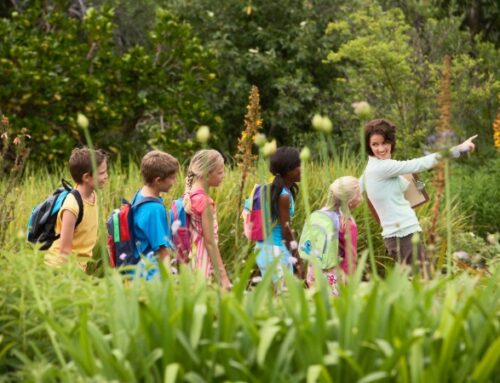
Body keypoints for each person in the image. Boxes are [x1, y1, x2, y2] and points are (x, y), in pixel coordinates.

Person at [362, 118, 477, 270]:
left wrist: (420, 186)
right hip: (402, 235)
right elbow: (420, 163)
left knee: (419, 284)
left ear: (391, 142)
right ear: (369, 146)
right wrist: (459, 149)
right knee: (425, 282)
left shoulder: (375, 167)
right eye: (375, 144)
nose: (381, 148)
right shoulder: (381, 167)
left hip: (404, 233)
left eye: (384, 143)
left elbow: (411, 183)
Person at [45, 147, 108, 271]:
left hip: (78, 267)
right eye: (101, 173)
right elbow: (64, 251)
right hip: (61, 268)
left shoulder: (92, 195)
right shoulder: (71, 206)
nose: (106, 176)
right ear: (86, 177)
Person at [305, 176, 362, 294]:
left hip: (314, 273)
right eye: (359, 195)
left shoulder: (317, 217)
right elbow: (350, 260)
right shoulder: (347, 225)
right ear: (350, 200)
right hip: (335, 279)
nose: (361, 198)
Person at [256, 147, 305, 283]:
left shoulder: (273, 190)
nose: (303, 168)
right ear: (288, 170)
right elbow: (286, 232)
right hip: (275, 251)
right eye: (299, 165)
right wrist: (298, 261)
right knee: (284, 298)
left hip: (263, 249)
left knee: (275, 299)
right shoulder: (283, 195)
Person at [184, 149, 231, 289]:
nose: (223, 176)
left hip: (189, 259)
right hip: (201, 262)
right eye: (220, 172)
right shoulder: (205, 203)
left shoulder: (189, 196)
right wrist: (223, 277)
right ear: (207, 173)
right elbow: (210, 243)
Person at [132, 150, 179, 280]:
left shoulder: (140, 195)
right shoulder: (154, 209)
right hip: (151, 275)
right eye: (172, 178)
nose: (174, 182)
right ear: (158, 180)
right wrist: (170, 285)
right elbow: (162, 251)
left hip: (138, 270)